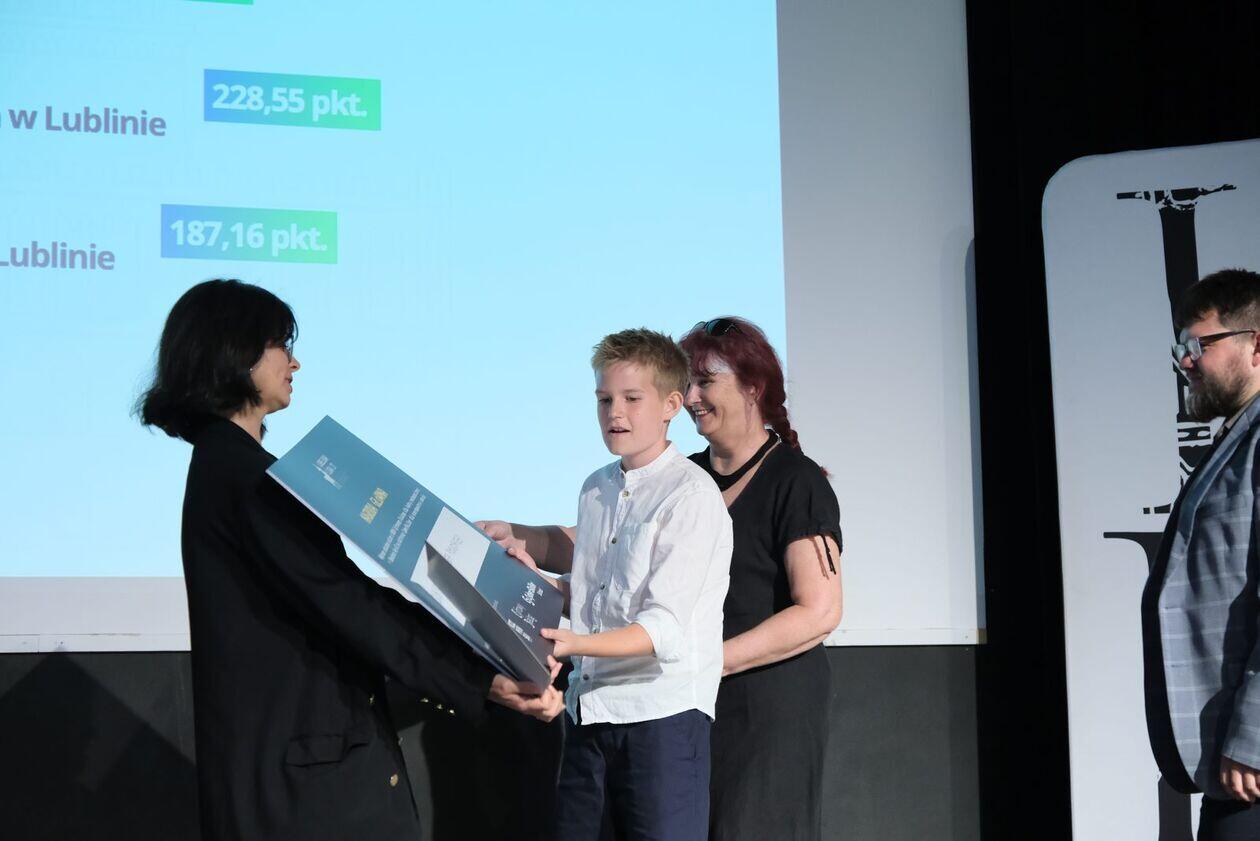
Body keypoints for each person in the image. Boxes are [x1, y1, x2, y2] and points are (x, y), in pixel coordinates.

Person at [137, 279, 562, 841]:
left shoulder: (228, 470)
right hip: (308, 798)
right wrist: (480, 677)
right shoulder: (245, 480)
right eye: (280, 345)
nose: (294, 362)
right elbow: (349, 604)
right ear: (234, 352)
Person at [479, 316, 842, 841]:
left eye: (705, 381)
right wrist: (517, 538)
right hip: (669, 690)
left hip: (757, 706)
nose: (692, 397)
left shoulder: (792, 480)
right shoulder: (665, 475)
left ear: (753, 386)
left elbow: (820, 611)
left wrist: (704, 658)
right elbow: (602, 553)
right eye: (688, 382)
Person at [516, 328, 733, 841]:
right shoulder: (595, 490)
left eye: (632, 398)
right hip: (589, 714)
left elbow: (662, 629)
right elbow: (592, 599)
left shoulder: (691, 495)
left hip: (662, 718)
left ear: (671, 405)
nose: (615, 413)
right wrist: (530, 582)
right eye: (604, 399)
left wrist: (572, 643)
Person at [1143, 268, 1260, 840]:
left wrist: (1254, 736)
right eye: (1180, 347)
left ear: (1256, 344)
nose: (1184, 361)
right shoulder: (1238, 437)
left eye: (1199, 344)